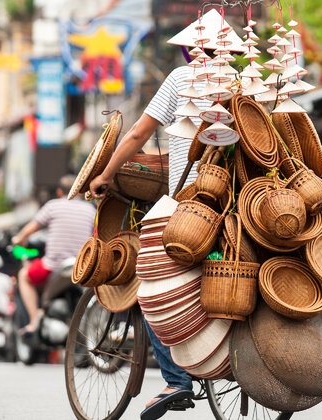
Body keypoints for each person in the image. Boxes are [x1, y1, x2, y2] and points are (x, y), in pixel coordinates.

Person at [87, 37, 218, 420]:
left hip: (189, 209)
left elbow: (139, 134)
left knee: (148, 284)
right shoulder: (241, 84)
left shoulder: (182, 77)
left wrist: (107, 174)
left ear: (191, 51)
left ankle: (176, 381)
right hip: (239, 204)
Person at [12, 175, 96, 334]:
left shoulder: (53, 206)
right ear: (79, 192)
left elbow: (29, 229)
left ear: (59, 192)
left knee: (24, 275)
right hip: (81, 267)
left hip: (54, 267)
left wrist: (18, 239)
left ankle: (34, 320)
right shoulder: (91, 210)